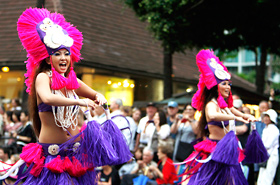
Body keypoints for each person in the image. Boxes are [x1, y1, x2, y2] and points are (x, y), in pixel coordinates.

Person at [2, 7, 131, 185]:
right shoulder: (42, 78)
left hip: (76, 155)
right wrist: (78, 101)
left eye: (66, 53)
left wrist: (99, 97)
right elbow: (48, 98)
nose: (63, 57)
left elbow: (95, 94)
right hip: (51, 156)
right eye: (57, 54)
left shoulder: (72, 81)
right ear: (48, 59)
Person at [181, 49, 257, 184]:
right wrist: (236, 118)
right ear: (216, 87)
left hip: (227, 150)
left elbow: (233, 110)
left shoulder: (225, 106)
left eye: (229, 84)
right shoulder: (211, 104)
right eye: (224, 84)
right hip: (214, 151)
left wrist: (246, 116)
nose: (228, 87)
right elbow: (211, 115)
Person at [257, 109, 279, 185]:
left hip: (272, 156)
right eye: (265, 116)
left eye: (268, 117)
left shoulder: (274, 129)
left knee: (267, 178)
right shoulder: (265, 128)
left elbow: (268, 144)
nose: (265, 118)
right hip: (265, 155)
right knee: (261, 178)